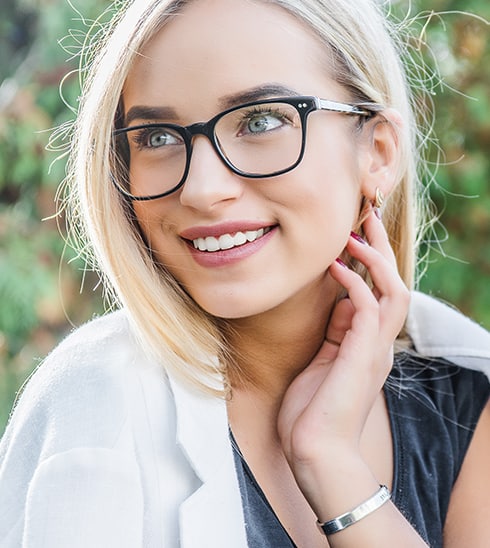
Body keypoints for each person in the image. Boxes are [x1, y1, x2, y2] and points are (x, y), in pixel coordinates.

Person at [0, 0, 489, 546]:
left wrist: (334, 469)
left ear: (376, 151)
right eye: (157, 137)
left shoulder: (469, 394)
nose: (202, 190)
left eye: (261, 121)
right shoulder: (97, 407)